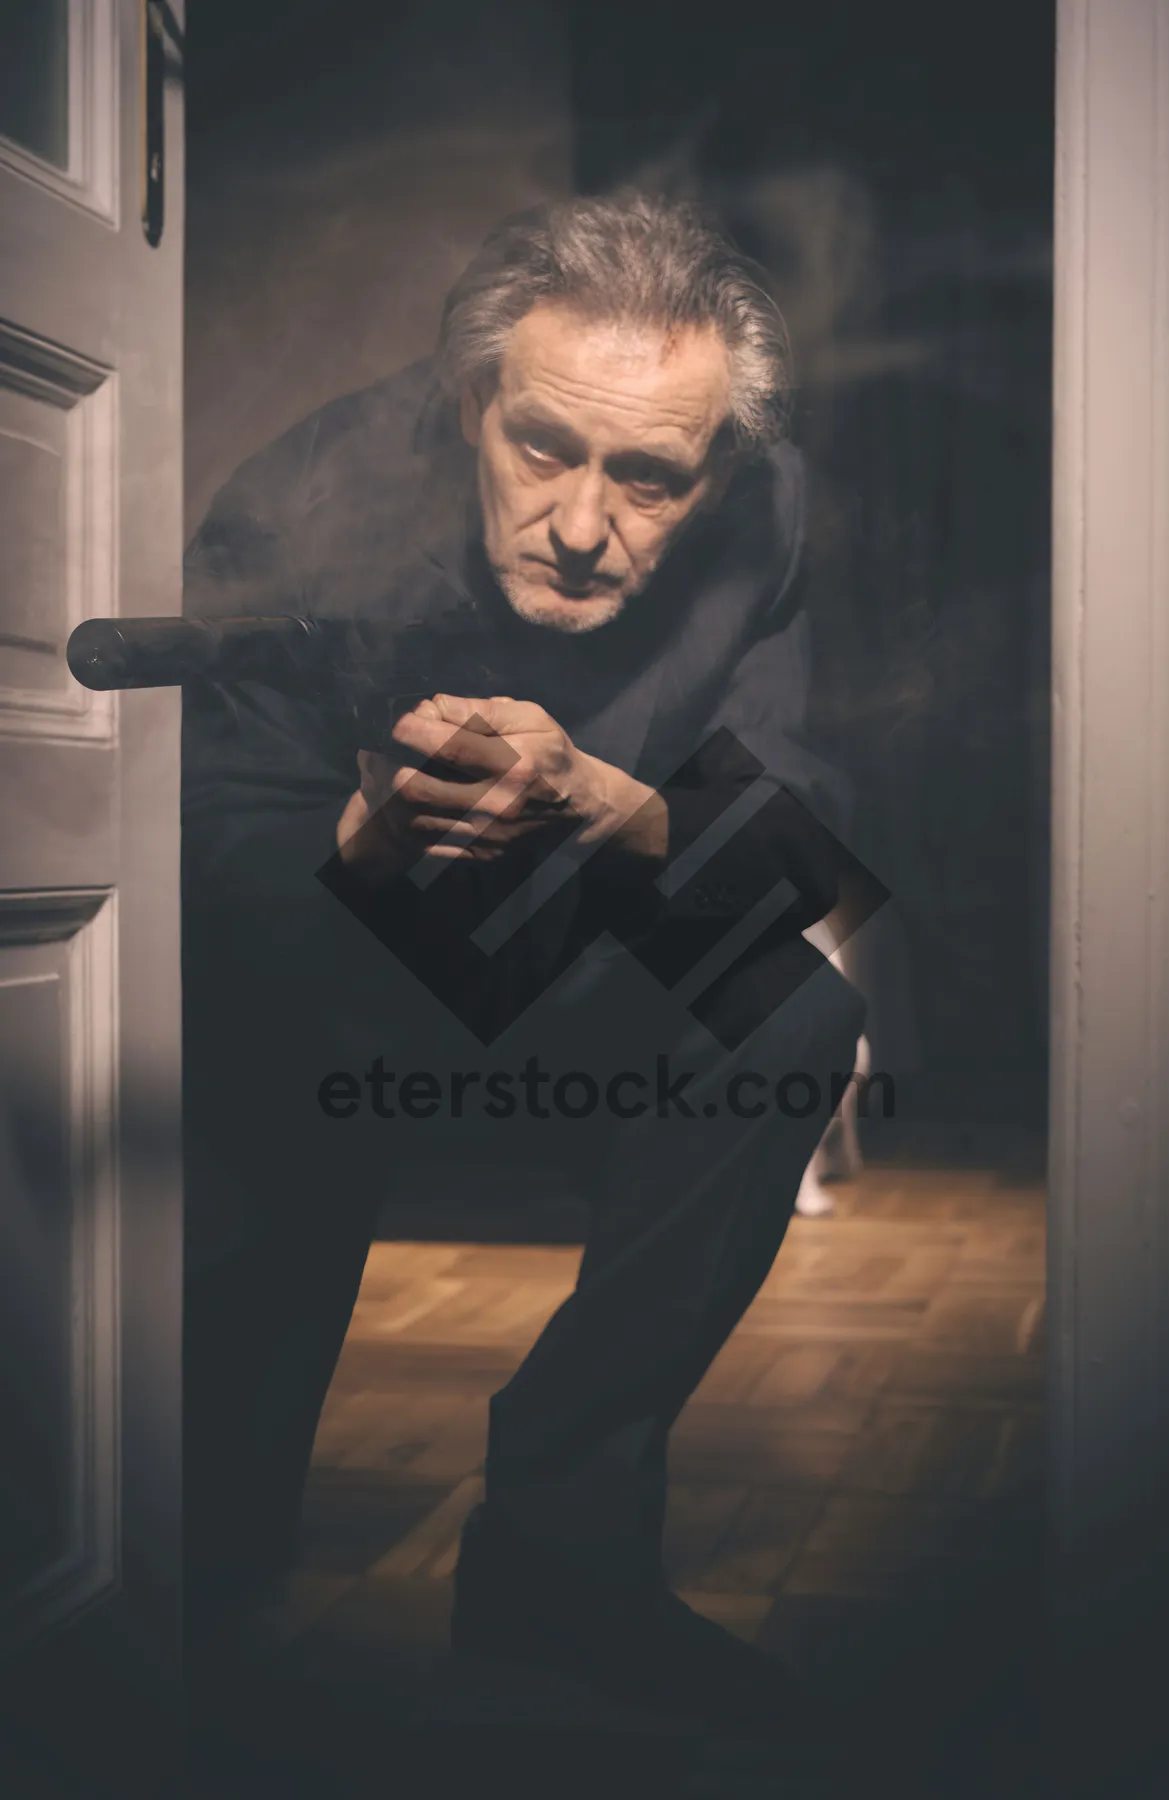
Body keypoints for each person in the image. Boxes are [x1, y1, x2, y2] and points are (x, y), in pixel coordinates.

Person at [181, 190, 869, 1737]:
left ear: (723, 468)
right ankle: (193, 1565)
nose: (579, 522)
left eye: (647, 479)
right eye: (544, 446)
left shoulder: (775, 515)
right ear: (469, 402)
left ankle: (562, 1566)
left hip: (579, 952)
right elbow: (198, 849)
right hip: (321, 951)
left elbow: (803, 829)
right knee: (235, 1077)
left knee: (791, 1008)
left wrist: (602, 803)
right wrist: (359, 845)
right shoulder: (307, 494)